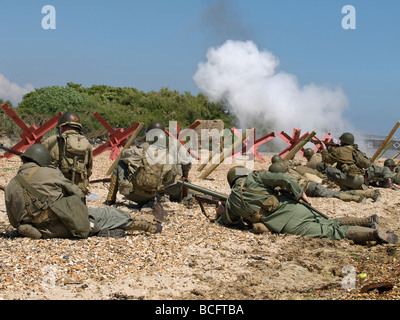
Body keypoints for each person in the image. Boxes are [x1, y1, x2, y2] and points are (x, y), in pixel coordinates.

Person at [4, 144, 164, 239]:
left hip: (38, 231)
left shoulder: (11, 185)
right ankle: (150, 225)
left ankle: (100, 231)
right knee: (109, 214)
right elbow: (75, 191)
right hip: (63, 225)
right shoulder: (48, 173)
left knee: (95, 220)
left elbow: (13, 221)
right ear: (43, 160)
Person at [216, 166, 397, 245]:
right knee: (328, 223)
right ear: (243, 173)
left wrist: (220, 211)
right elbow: (284, 179)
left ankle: (372, 234)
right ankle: (367, 220)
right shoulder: (255, 178)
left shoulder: (232, 201)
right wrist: (299, 193)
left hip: (287, 224)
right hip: (297, 207)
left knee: (331, 233)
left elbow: (229, 222)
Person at [105, 121, 192, 207]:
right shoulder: (175, 143)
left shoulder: (145, 146)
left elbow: (124, 156)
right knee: (181, 183)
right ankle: (169, 196)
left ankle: (110, 198)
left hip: (151, 188)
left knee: (122, 163)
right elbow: (187, 163)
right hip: (173, 185)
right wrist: (185, 175)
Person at [268, 162, 381, 203]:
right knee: (335, 193)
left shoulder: (284, 179)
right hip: (312, 185)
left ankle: (361, 197)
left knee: (336, 194)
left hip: (312, 188)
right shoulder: (290, 172)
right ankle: (370, 194)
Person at [43, 111, 93, 200]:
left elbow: (39, 163)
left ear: (61, 127)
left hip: (57, 192)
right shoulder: (87, 144)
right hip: (78, 193)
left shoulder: (52, 141)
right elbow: (88, 170)